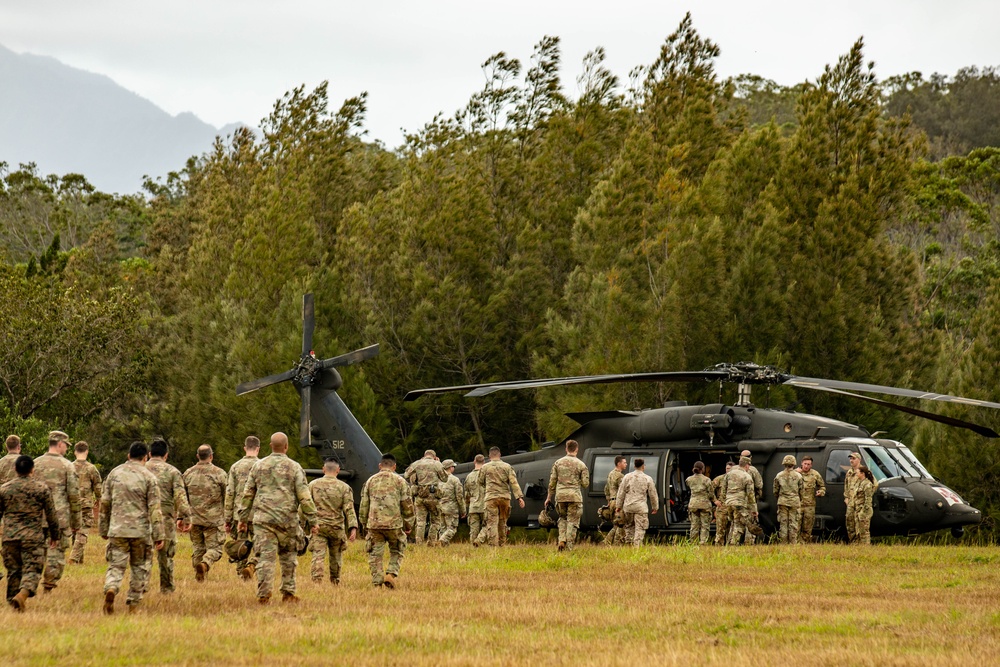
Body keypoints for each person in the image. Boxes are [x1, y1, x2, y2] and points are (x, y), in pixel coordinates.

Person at [238, 432, 317, 604]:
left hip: (263, 521)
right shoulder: (295, 467)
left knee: (265, 558)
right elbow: (304, 496)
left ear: (270, 446)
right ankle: (288, 593)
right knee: (289, 557)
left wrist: (242, 519)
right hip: (287, 520)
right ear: (286, 447)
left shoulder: (258, 466)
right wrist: (313, 520)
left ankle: (264, 594)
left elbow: (248, 494)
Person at [99, 442, 165, 614]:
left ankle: (112, 587)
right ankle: (133, 605)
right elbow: (155, 509)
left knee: (116, 565)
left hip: (118, 529)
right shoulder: (149, 477)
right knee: (139, 567)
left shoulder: (115, 474)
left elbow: (105, 503)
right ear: (145, 457)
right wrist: (159, 535)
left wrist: (103, 528)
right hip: (140, 531)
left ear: (128, 456)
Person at [0, 455, 60, 612]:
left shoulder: (5, 489)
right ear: (33, 470)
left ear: (15, 469)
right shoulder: (41, 489)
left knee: (14, 571)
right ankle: (23, 594)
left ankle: (13, 603)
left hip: (10, 538)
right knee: (32, 569)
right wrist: (55, 535)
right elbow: (51, 515)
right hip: (33, 537)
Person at [33, 430, 81, 593]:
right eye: (66, 446)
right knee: (56, 553)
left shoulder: (35, 463)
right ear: (60, 444)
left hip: (37, 517)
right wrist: (76, 522)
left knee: (36, 551)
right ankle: (48, 586)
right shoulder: (68, 466)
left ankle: (29, 583)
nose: (66, 449)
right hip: (59, 517)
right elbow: (73, 496)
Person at [359, 454, 415, 588]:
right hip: (393, 524)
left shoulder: (370, 481)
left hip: (374, 524)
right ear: (394, 467)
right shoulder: (400, 481)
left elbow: (364, 505)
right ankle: (391, 574)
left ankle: (377, 582)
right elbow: (407, 505)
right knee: (397, 550)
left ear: (380, 466)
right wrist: (408, 524)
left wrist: (364, 523)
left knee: (375, 554)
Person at [145, 439, 191, 593]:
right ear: (166, 455)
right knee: (165, 556)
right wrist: (186, 517)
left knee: (144, 554)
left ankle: (141, 585)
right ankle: (166, 588)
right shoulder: (172, 472)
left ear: (150, 454)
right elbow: (180, 496)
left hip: (143, 517)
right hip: (165, 517)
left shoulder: (141, 469)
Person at [308, 459, 358, 584]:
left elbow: (305, 507)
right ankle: (335, 580)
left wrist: (302, 524)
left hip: (318, 526)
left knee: (318, 555)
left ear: (323, 469)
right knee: (336, 556)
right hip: (336, 528)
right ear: (338, 470)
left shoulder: (313, 485)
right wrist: (353, 528)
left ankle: (316, 581)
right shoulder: (344, 487)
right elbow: (349, 509)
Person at [183, 444, 227, 582]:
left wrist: (182, 517)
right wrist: (229, 517)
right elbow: (227, 496)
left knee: (198, 548)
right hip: (213, 519)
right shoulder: (219, 473)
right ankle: (206, 563)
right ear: (211, 456)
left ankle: (199, 577)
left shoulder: (188, 474)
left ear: (197, 456)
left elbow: (182, 497)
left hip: (194, 519)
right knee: (216, 549)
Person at [224, 436, 261, 579]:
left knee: (240, 546)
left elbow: (230, 493)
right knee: (260, 546)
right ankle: (252, 565)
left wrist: (227, 518)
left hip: (239, 515)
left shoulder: (235, 467)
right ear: (258, 448)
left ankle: (241, 574)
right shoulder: (262, 466)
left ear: (245, 448)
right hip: (258, 513)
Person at [544, 440, 590, 551]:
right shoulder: (581, 464)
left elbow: (552, 482)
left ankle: (561, 540)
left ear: (566, 449)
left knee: (562, 519)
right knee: (572, 522)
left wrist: (548, 498)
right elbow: (585, 484)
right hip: (574, 497)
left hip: (560, 497)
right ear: (577, 449)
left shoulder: (558, 463)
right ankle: (569, 547)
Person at [474, 447, 525, 547]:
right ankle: (502, 544)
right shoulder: (507, 467)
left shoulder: (485, 467)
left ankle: (493, 546)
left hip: (491, 498)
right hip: (505, 498)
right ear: (500, 455)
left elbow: (480, 481)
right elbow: (514, 483)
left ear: (489, 456)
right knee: (503, 522)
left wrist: (488, 486)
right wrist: (519, 497)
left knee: (492, 522)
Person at [68, 441, 102, 565]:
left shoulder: (69, 467)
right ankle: (74, 557)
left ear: (75, 452)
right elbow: (97, 486)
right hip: (86, 504)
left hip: (71, 504)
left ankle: (78, 562)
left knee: (75, 531)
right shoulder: (91, 468)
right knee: (83, 532)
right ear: (87, 451)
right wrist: (99, 499)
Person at [404, 450, 447, 545]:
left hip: (420, 496)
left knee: (420, 521)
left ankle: (419, 543)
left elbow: (406, 475)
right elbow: (445, 478)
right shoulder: (436, 464)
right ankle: (431, 542)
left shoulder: (416, 463)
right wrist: (439, 463)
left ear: (424, 456)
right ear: (434, 456)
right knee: (435, 521)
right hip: (433, 497)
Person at [615, 458, 659, 546]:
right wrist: (655, 507)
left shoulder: (627, 477)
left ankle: (629, 545)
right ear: (643, 466)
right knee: (640, 528)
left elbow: (621, 492)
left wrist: (618, 506)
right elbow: (653, 494)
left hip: (628, 507)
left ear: (634, 466)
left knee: (629, 527)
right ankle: (637, 547)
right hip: (640, 508)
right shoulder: (647, 478)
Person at [724, 457, 757, 546]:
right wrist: (754, 510)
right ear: (747, 465)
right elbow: (750, 495)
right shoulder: (747, 476)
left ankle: (728, 543)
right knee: (739, 525)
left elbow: (724, 489)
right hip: (739, 503)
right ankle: (733, 544)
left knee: (733, 523)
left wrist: (724, 501)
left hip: (729, 502)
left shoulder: (729, 474)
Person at [773, 454, 804, 544]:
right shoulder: (798, 476)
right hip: (794, 502)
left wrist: (780, 497)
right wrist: (798, 499)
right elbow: (801, 491)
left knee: (783, 524)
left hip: (782, 501)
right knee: (793, 523)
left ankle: (783, 543)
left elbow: (775, 490)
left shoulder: (779, 475)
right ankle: (793, 544)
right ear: (794, 464)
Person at [436, 459, 466, 546]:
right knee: (452, 528)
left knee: (443, 528)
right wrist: (463, 510)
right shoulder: (454, 480)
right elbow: (459, 496)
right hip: (451, 507)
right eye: (453, 466)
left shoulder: (438, 480)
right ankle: (442, 540)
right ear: (450, 467)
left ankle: (443, 547)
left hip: (440, 506)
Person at [797, 455, 826, 542]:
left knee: (807, 528)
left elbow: (822, 486)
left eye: (808, 464)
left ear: (811, 465)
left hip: (809, 506)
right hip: (797, 505)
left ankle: (804, 544)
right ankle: (795, 546)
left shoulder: (815, 474)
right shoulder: (795, 473)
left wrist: (820, 492)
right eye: (805, 464)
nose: (806, 466)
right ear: (801, 463)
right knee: (796, 527)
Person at [685, 461, 714, 545]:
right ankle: (703, 542)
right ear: (703, 469)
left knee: (694, 525)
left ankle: (693, 542)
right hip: (705, 505)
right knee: (705, 525)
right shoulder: (707, 480)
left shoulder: (689, 479)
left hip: (693, 504)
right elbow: (711, 494)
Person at [603, 455, 628, 546]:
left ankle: (607, 542)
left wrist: (609, 501)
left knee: (616, 524)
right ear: (619, 463)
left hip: (612, 501)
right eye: (624, 462)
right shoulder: (620, 476)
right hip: (618, 502)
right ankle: (618, 544)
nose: (626, 464)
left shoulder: (610, 474)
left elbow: (606, 489)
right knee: (621, 524)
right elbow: (623, 490)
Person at [740, 449, 763, 544]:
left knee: (736, 523)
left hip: (737, 501)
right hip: (749, 501)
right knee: (750, 522)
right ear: (751, 458)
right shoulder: (753, 470)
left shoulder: (734, 470)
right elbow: (759, 485)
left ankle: (733, 542)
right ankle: (748, 543)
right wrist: (757, 496)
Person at [850, 466, 876, 545]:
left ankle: (865, 546)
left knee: (864, 530)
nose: (856, 474)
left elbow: (868, 499)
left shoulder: (867, 484)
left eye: (857, 472)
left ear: (862, 473)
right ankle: (859, 546)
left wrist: (864, 512)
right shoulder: (858, 482)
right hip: (858, 509)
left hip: (864, 511)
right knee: (858, 530)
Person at [464, 455, 486, 544]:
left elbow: (467, 494)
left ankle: (474, 545)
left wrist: (467, 504)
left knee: (473, 529)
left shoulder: (469, 476)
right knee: (488, 525)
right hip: (485, 506)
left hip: (473, 506)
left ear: (474, 461)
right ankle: (479, 540)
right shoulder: (486, 474)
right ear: (484, 462)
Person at [712, 461, 734, 546]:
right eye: (727, 468)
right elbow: (709, 489)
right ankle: (718, 547)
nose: (728, 470)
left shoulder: (736, 479)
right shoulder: (719, 479)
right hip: (722, 508)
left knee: (731, 531)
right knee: (720, 530)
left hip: (732, 508)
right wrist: (715, 500)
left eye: (730, 469)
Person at [844, 451, 863, 543]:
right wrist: (846, 497)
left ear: (859, 460)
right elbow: (846, 486)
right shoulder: (849, 472)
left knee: (859, 523)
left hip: (860, 502)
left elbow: (873, 485)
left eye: (853, 458)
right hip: (851, 502)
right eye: (850, 459)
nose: (851, 460)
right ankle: (853, 542)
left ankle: (861, 543)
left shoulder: (864, 471)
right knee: (849, 522)